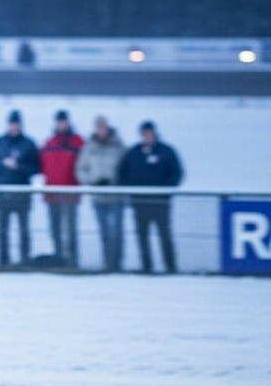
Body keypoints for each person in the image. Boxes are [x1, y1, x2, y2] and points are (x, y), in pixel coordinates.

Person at [118, 120, 184, 273]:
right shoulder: (134, 152)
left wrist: (165, 191)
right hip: (140, 202)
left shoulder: (166, 152)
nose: (147, 136)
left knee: (164, 235)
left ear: (155, 133)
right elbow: (123, 173)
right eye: (145, 134)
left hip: (160, 202)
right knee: (142, 236)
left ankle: (170, 266)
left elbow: (176, 173)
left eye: (150, 133)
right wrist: (130, 191)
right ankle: (146, 266)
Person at [0, 110, 41, 267]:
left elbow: (37, 167)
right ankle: (3, 261)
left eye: (17, 124)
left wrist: (19, 166)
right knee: (2, 230)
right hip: (3, 192)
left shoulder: (28, 144)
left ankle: (25, 260)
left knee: (24, 230)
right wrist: (2, 165)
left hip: (22, 193)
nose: (14, 127)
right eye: (12, 124)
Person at [76, 115, 127, 272]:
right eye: (98, 127)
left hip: (115, 197)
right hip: (98, 197)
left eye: (103, 126)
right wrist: (91, 182)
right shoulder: (89, 147)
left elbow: (127, 168)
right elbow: (80, 169)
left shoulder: (118, 146)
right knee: (104, 233)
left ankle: (117, 264)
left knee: (116, 233)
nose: (101, 130)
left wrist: (116, 182)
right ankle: (107, 264)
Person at [40, 110, 84, 267]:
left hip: (70, 193)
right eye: (59, 122)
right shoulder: (49, 143)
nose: (61, 124)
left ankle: (73, 261)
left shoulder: (78, 142)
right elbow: (41, 166)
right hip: (52, 193)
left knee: (70, 230)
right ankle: (59, 259)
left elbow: (84, 166)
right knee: (55, 230)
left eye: (63, 121)